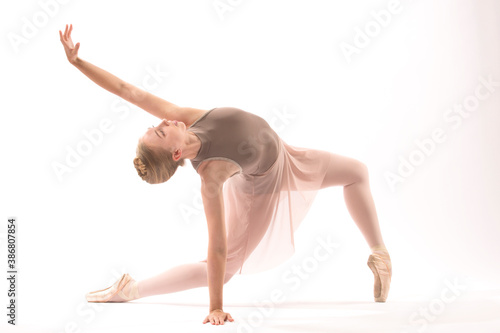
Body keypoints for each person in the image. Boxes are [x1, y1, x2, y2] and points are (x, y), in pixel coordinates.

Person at [59, 24, 392, 326]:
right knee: (223, 269)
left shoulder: (184, 118)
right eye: (160, 133)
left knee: (357, 172)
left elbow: (126, 90)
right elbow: (216, 247)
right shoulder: (212, 176)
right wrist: (216, 307)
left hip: (288, 155)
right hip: (262, 187)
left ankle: (380, 255)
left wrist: (78, 63)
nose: (162, 122)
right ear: (176, 154)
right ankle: (132, 289)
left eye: (155, 125)